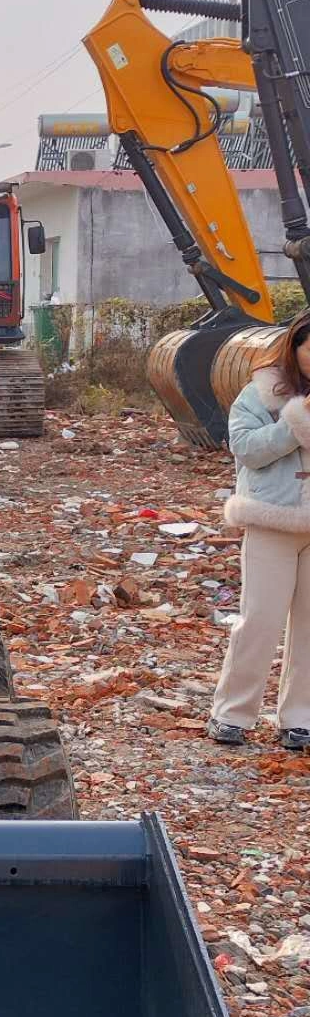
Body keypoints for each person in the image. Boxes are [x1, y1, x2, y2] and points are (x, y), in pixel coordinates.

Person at [209, 311, 310, 750]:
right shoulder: (260, 392)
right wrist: (295, 424)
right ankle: (232, 713)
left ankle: (299, 719)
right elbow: (246, 449)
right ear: (295, 346)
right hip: (272, 519)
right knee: (258, 621)